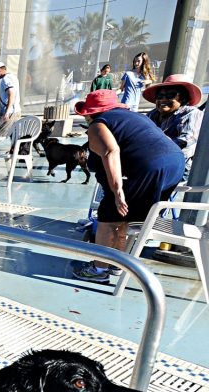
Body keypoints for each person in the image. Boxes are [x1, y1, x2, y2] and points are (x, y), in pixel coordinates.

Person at [72, 90, 184, 283]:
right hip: (175, 163)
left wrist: (117, 191)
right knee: (125, 217)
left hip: (151, 166)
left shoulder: (98, 124)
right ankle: (118, 264)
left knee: (109, 214)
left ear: (90, 113)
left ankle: (99, 269)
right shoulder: (133, 117)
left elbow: (110, 151)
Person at [143, 73, 204, 181]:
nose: (163, 100)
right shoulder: (153, 114)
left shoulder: (192, 113)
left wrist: (154, 147)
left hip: (177, 168)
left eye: (171, 95)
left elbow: (186, 141)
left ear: (183, 98)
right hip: (149, 163)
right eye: (160, 96)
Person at [0, 61, 21, 153]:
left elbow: (11, 94)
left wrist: (7, 111)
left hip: (8, 111)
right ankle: (13, 151)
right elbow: (11, 93)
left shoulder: (6, 79)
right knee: (13, 132)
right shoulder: (13, 77)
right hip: (16, 111)